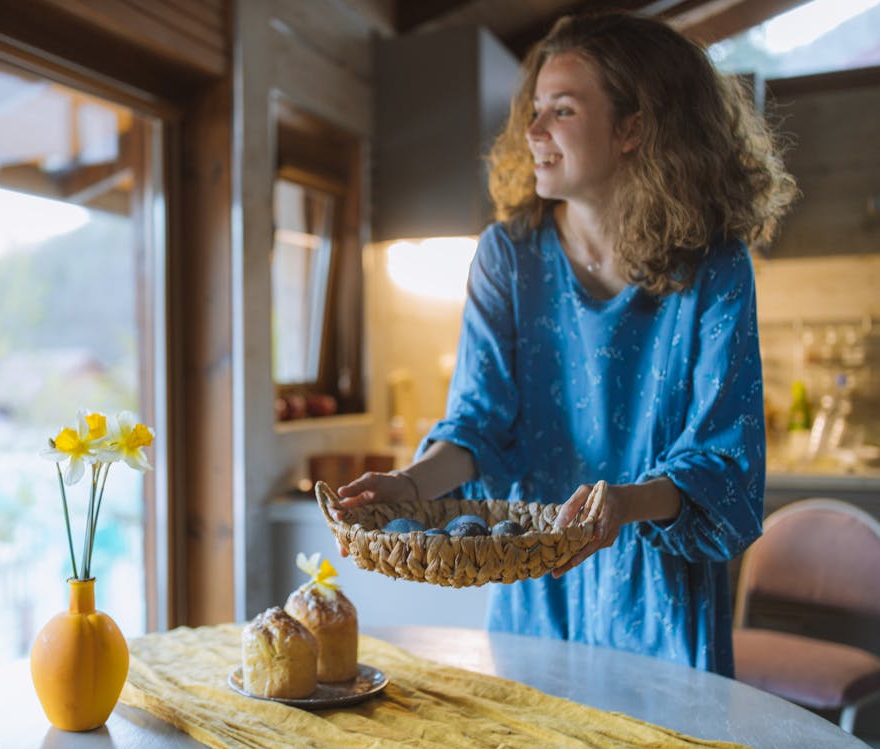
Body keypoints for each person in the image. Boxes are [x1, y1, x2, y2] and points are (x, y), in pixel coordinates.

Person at [337, 11, 797, 675]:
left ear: (633, 126)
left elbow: (724, 462)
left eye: (562, 110)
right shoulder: (507, 256)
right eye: (534, 109)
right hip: (538, 586)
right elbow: (478, 424)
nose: (532, 130)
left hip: (659, 597)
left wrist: (626, 503)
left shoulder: (714, 266)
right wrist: (406, 485)